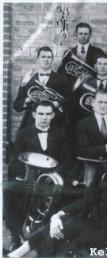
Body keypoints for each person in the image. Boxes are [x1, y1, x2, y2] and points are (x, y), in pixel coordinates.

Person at [7, 154, 107, 257]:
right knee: (63, 224)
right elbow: (82, 203)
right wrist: (58, 215)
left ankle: (17, 253)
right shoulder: (104, 188)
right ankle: (21, 255)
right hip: (97, 231)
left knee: (69, 224)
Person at [5, 101, 72, 251]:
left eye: (48, 114)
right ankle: (15, 238)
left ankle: (49, 237)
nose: (44, 117)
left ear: (53, 115)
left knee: (65, 196)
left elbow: (68, 160)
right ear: (34, 115)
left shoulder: (60, 133)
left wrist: (55, 174)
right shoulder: (24, 133)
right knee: (10, 195)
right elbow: (15, 159)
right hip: (29, 178)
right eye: (41, 114)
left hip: (50, 179)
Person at [13, 47, 68, 130]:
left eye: (49, 57)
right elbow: (17, 106)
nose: (46, 59)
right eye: (43, 57)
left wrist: (58, 104)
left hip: (54, 123)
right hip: (30, 123)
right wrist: (27, 100)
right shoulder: (27, 79)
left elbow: (69, 100)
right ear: (38, 59)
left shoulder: (61, 78)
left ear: (52, 59)